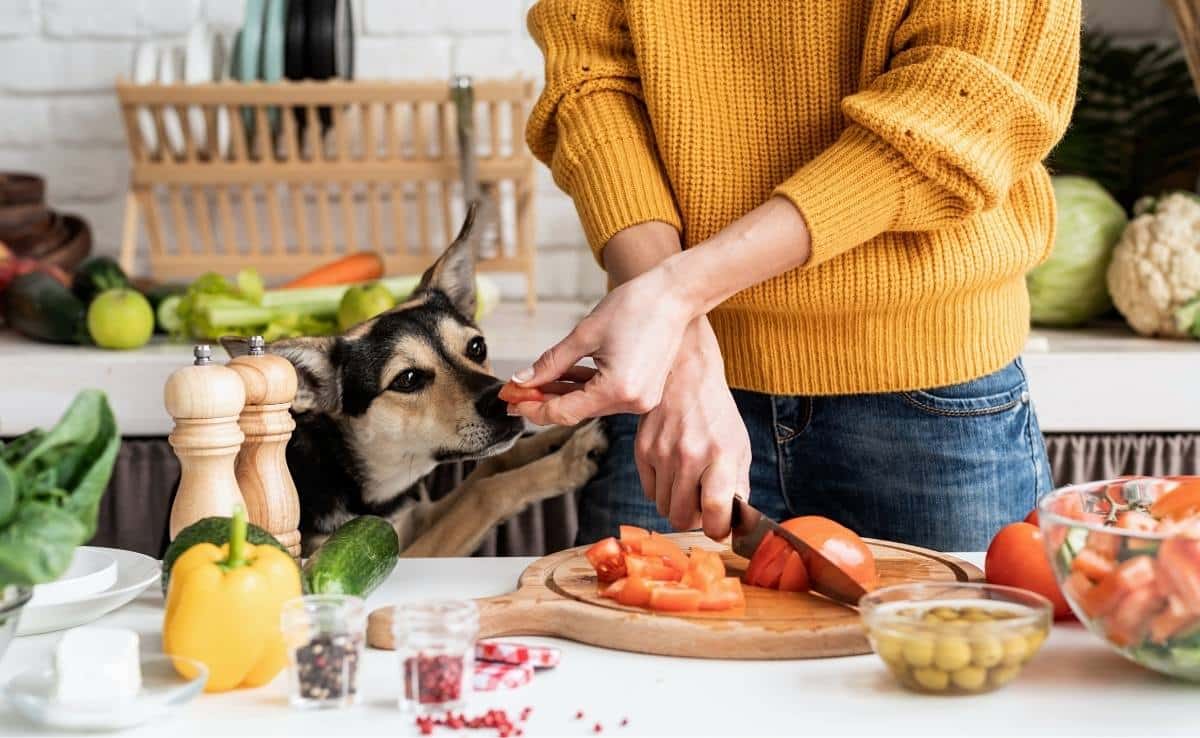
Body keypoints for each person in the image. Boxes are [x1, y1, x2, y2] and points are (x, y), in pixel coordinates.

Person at [511, 0, 1082, 552]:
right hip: (671, 387)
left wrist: (674, 297)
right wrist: (678, 342)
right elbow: (590, 80)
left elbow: (961, 106)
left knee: (955, 650)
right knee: (629, 648)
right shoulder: (672, 344)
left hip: (930, 392)